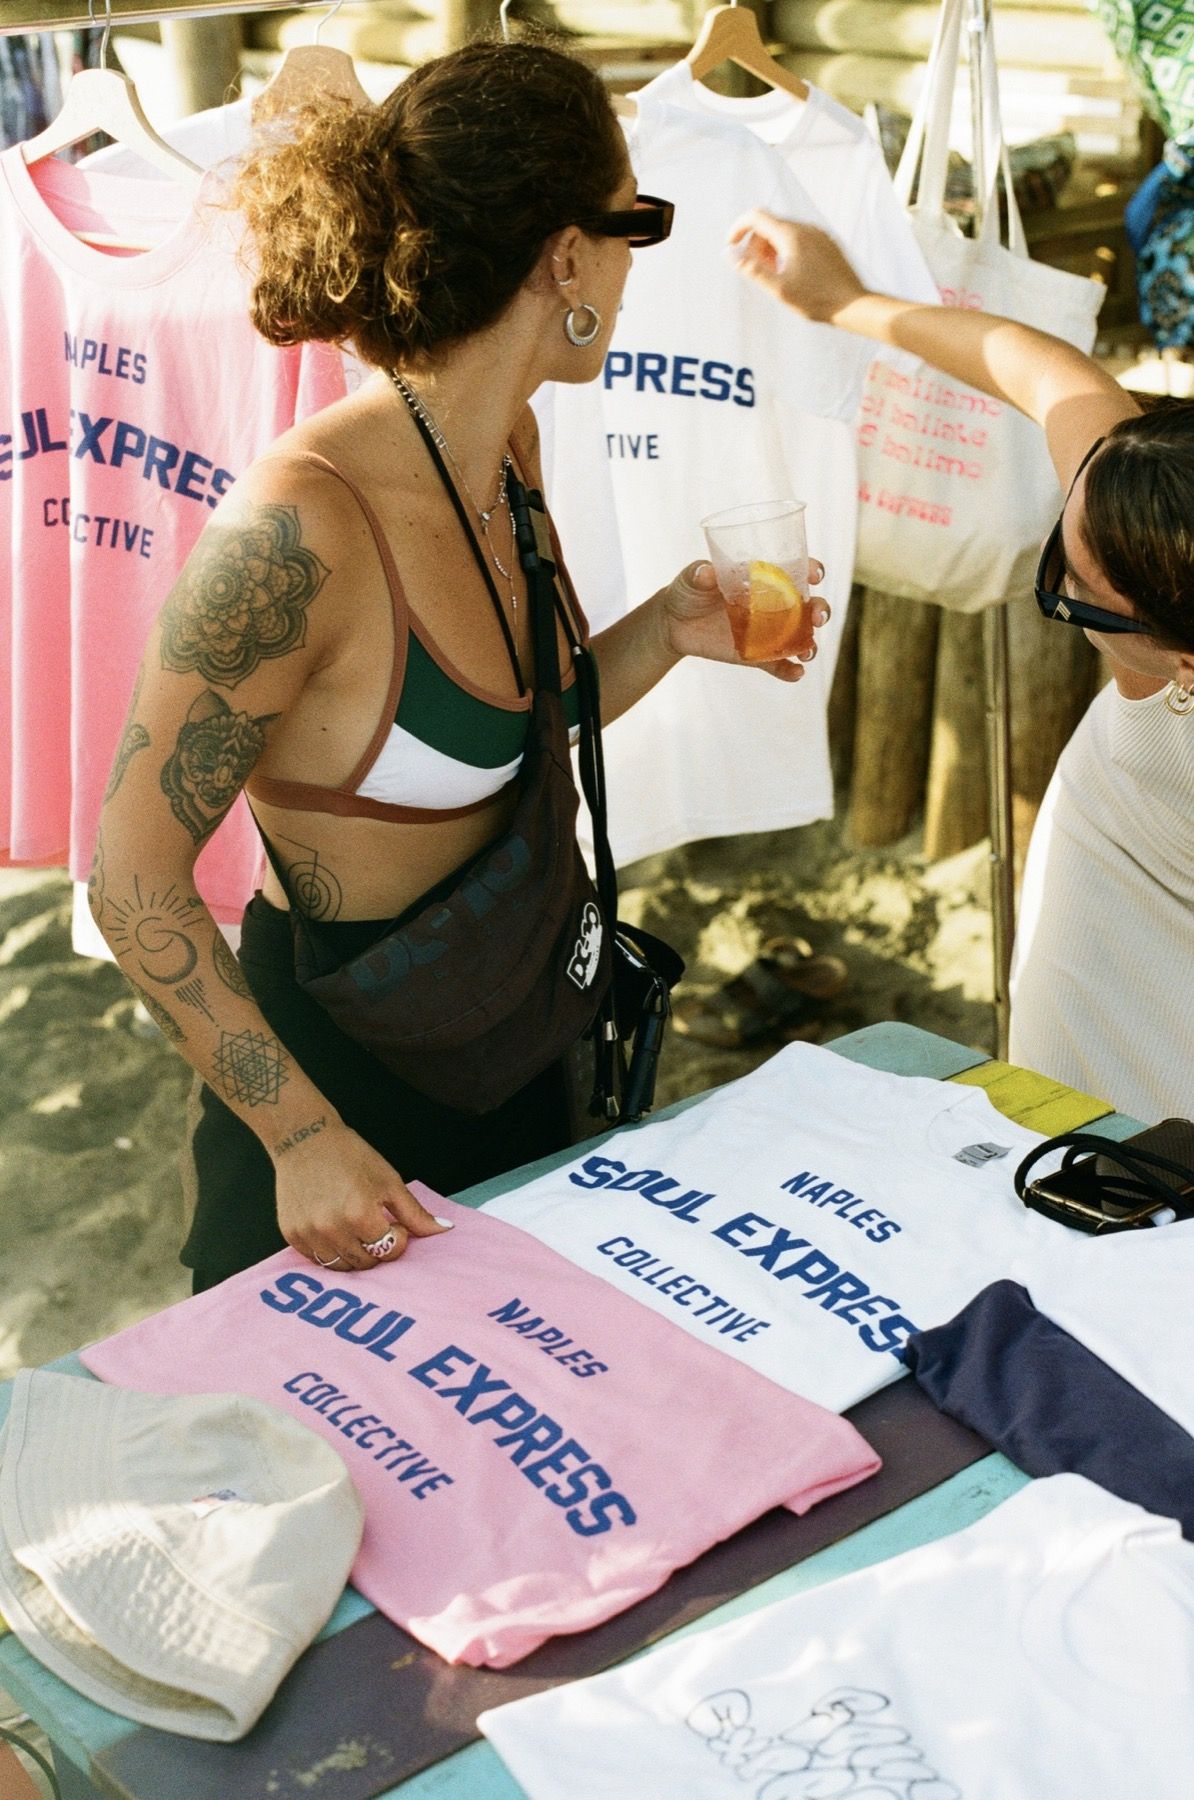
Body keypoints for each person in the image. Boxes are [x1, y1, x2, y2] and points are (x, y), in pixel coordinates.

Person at [90, 42, 829, 1293]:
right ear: (566, 259)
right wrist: (301, 1137)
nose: (634, 265)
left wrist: (667, 629)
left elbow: (511, 730)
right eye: (636, 224)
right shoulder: (301, 525)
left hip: (511, 1046)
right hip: (343, 1104)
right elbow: (133, 874)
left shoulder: (506, 447)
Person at [732, 209, 1194, 1123]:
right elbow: (1042, 370)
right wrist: (845, 302)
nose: (1060, 578)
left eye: (1072, 595)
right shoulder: (1136, 507)